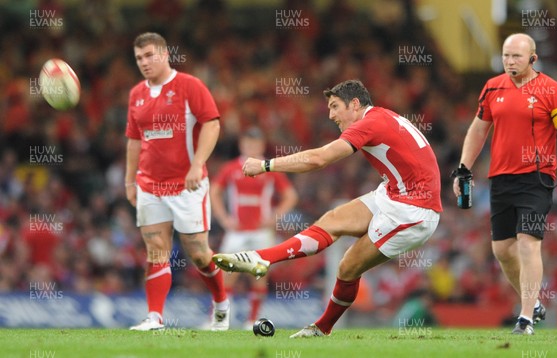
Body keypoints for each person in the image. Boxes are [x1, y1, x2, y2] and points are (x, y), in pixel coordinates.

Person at [213, 79, 442, 337]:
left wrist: (266, 165)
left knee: (348, 266)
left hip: (413, 210)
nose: (331, 115)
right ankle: (263, 257)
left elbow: (318, 159)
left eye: (335, 107)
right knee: (332, 220)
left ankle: (321, 329)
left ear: (355, 104)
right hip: (394, 194)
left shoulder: (370, 123)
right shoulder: (381, 117)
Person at [452, 33, 557, 335]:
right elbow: (478, 129)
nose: (510, 62)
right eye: (506, 56)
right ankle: (533, 302)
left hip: (537, 177)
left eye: (517, 57)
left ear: (533, 58)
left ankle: (524, 319)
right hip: (500, 178)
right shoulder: (492, 87)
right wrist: (463, 168)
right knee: (502, 250)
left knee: (527, 242)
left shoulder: (552, 90)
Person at [125, 32, 229, 331]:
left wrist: (198, 164)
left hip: (187, 185)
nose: (144, 62)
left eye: (149, 55)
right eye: (138, 58)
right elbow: (134, 140)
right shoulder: (136, 94)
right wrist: (130, 181)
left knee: (198, 254)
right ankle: (154, 317)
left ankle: (221, 303)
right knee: (156, 249)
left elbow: (212, 123)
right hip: (149, 185)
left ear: (164, 54)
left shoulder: (189, 85)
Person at [210, 127, 298, 329]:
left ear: (261, 145)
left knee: (258, 275)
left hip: (261, 231)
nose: (251, 146)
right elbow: (214, 191)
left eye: (255, 143)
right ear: (242, 144)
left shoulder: (268, 169)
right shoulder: (231, 168)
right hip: (237, 231)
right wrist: (224, 219)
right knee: (227, 275)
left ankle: (252, 321)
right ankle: (219, 321)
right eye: (248, 142)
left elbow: (291, 196)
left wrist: (274, 217)